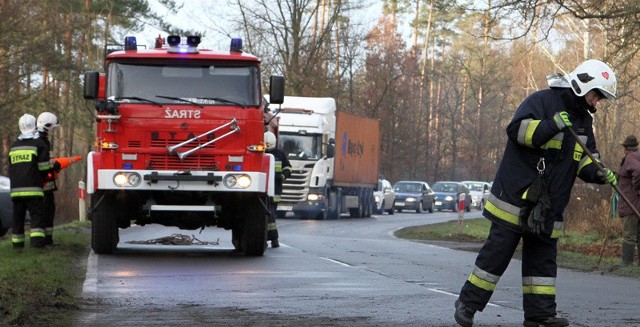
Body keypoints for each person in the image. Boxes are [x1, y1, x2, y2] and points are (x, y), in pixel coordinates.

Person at [454, 59, 618, 327]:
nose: (596, 102)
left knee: (542, 262)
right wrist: (549, 126)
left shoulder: (582, 122)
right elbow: (516, 131)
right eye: (596, 95)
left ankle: (540, 316)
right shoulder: (541, 102)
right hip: (515, 199)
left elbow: (586, 158)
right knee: (496, 255)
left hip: (549, 205)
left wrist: (598, 172)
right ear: (584, 85)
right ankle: (467, 304)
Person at [9, 114, 51, 249]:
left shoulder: (14, 146)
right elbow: (44, 168)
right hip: (34, 189)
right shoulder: (39, 144)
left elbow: (11, 168)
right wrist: (52, 168)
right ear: (35, 126)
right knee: (37, 217)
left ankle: (17, 247)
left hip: (16, 191)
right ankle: (37, 247)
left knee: (18, 219)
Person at [264, 131, 292, 248]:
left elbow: (288, 168)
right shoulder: (260, 152)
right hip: (264, 188)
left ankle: (272, 239)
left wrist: (283, 176)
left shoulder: (280, 154)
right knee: (268, 216)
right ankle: (270, 239)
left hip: (275, 189)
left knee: (270, 215)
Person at [616, 135, 640, 266]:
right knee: (638, 234)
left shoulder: (630, 157)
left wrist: (637, 187)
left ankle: (626, 262)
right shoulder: (637, 156)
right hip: (637, 203)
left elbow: (638, 171)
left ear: (626, 148)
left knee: (629, 234)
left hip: (630, 202)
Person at [37, 112, 60, 246]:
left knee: (48, 211)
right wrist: (55, 165)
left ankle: (47, 240)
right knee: (46, 212)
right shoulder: (42, 142)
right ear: (48, 126)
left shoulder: (40, 140)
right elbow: (44, 163)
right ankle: (45, 241)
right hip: (44, 184)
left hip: (45, 183)